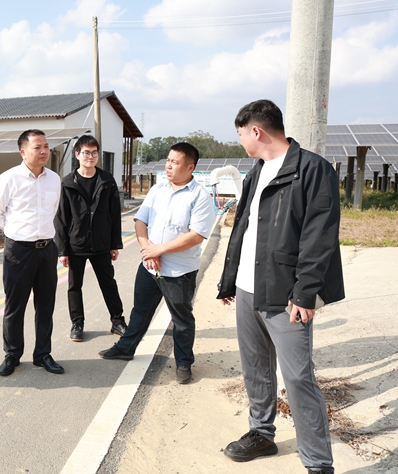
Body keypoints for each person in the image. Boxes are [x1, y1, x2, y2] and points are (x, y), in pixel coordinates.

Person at [217, 100, 344, 474]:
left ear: (256, 131)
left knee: (298, 377)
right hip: (248, 289)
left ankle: (318, 463)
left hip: (286, 294)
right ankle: (262, 434)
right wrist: (230, 280)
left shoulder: (312, 170)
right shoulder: (255, 171)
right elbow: (244, 228)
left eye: (241, 134)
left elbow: (320, 236)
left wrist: (306, 292)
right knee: (255, 368)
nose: (240, 141)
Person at [99, 142, 216, 385]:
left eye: (175, 162)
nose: (168, 166)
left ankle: (184, 362)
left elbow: (196, 236)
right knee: (140, 310)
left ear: (190, 167)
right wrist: (148, 251)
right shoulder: (157, 189)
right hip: (149, 267)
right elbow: (140, 221)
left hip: (179, 272)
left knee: (181, 320)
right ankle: (126, 348)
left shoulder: (200, 196)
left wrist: (159, 250)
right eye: (168, 160)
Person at [0, 129, 64, 376]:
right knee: (15, 305)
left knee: (46, 304)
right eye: (37, 147)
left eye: (46, 146)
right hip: (18, 251)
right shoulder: (9, 178)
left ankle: (43, 354)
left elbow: (53, 211)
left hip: (47, 249)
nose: (44, 151)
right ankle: (12, 354)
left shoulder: (54, 179)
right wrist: (17, 233)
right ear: (23, 152)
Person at [54, 134, 126, 342]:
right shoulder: (68, 182)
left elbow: (114, 214)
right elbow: (61, 218)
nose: (91, 156)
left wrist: (115, 244)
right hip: (76, 244)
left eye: (94, 153)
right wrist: (62, 250)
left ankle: (117, 321)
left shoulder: (107, 180)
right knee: (74, 286)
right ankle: (77, 323)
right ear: (77, 154)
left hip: (101, 243)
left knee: (108, 283)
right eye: (86, 153)